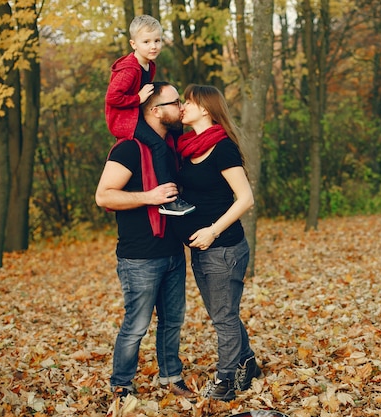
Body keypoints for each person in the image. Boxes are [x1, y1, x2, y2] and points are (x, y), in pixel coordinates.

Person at [96, 81, 196, 402]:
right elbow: (104, 196)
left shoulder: (172, 147)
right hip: (139, 256)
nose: (180, 107)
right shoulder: (128, 149)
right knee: (136, 326)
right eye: (174, 102)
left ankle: (171, 376)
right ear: (154, 111)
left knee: (172, 322)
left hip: (172, 250)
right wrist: (149, 196)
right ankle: (122, 384)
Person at [173, 84, 262, 401]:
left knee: (223, 318)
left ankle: (225, 382)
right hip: (201, 250)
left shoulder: (222, 148)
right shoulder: (188, 147)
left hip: (224, 248)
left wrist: (212, 230)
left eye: (189, 101)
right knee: (223, 315)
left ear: (206, 109)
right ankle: (247, 361)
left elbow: (246, 198)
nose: (183, 106)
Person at [105, 14, 195, 216]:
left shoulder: (149, 64)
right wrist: (136, 99)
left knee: (175, 131)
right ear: (133, 44)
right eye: (146, 42)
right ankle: (168, 202)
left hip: (134, 114)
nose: (153, 46)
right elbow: (112, 97)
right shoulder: (130, 69)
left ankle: (183, 181)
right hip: (124, 120)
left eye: (157, 40)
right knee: (158, 145)